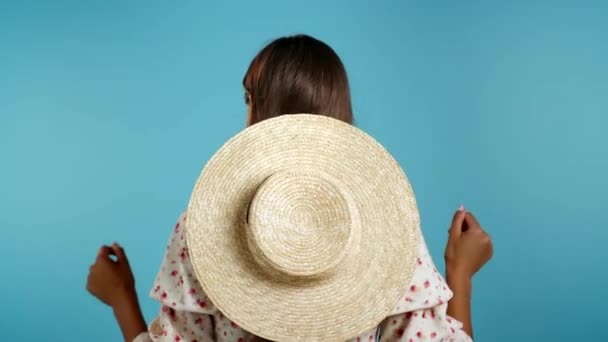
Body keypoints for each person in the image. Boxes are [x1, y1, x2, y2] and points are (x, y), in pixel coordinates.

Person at [87, 34, 493, 342]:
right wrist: (460, 274)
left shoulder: (203, 229)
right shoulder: (388, 227)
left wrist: (122, 299)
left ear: (264, 113)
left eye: (250, 97)